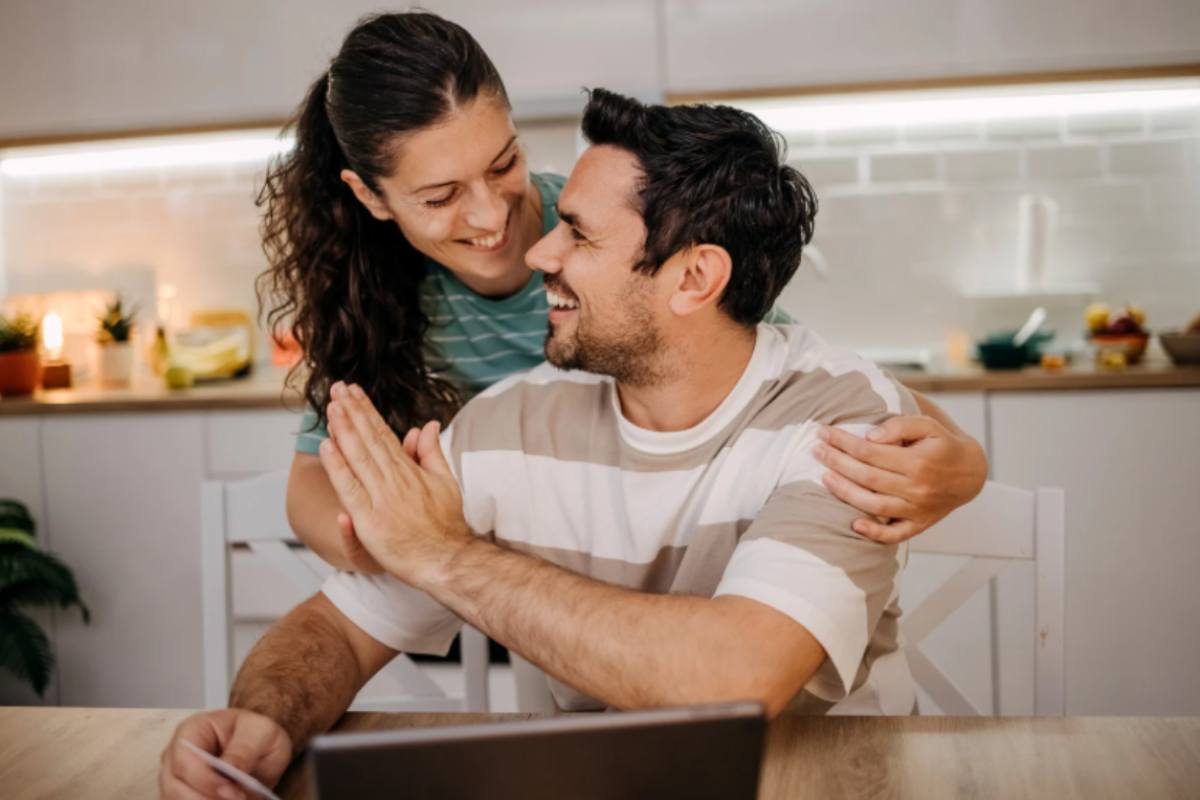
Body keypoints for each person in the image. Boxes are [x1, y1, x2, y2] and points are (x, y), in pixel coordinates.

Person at [163, 88, 931, 798]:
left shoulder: (847, 430)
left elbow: (736, 679)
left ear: (694, 279)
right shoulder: (511, 423)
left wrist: (447, 555)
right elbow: (334, 627)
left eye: (579, 233)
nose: (538, 254)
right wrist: (268, 719)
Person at [259, 11, 987, 580]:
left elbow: (792, 368)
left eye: (504, 163)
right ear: (370, 197)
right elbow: (311, 483)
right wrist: (393, 545)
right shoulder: (365, 289)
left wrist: (961, 463)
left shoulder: (614, 238)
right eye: (441, 196)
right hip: (466, 610)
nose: (493, 218)